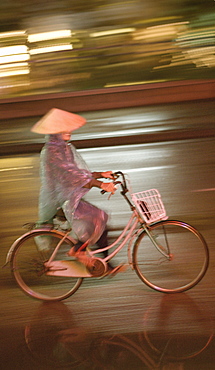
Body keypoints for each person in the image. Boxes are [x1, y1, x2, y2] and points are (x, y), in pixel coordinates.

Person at [31, 108, 116, 260]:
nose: (69, 130)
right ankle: (79, 251)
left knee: (100, 220)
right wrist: (100, 184)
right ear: (55, 131)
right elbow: (71, 174)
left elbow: (78, 171)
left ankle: (104, 263)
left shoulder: (64, 148)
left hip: (68, 196)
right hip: (59, 200)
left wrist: (100, 175)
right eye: (64, 128)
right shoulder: (52, 151)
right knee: (98, 217)